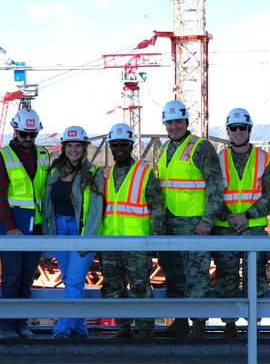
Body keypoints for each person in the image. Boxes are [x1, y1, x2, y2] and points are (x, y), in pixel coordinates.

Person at [154, 100, 224, 339]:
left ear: (186, 122)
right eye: (169, 122)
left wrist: (207, 220)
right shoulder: (164, 149)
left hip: (194, 225)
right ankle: (179, 322)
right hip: (170, 223)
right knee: (174, 274)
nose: (174, 126)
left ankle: (199, 326)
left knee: (197, 275)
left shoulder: (201, 147)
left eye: (178, 122)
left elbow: (216, 185)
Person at [212, 107, 270, 339]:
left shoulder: (264, 158)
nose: (238, 132)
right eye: (233, 128)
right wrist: (230, 216)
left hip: (254, 228)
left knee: (255, 277)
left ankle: (253, 324)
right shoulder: (218, 159)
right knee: (226, 277)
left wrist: (246, 216)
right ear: (228, 131)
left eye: (242, 128)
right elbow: (213, 193)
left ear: (249, 130)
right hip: (225, 228)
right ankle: (229, 324)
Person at [100, 123, 164, 339]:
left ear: (131, 146)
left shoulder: (145, 173)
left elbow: (157, 208)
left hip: (137, 242)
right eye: (115, 144)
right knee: (113, 287)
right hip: (110, 242)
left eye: (123, 145)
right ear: (110, 146)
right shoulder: (105, 174)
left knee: (140, 287)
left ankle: (146, 330)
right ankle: (124, 327)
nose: (119, 148)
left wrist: (154, 240)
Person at [0, 107, 50, 339]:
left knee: (27, 277)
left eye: (32, 135)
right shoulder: (2, 156)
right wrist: (9, 227)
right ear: (15, 131)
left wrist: (46, 226)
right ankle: (7, 326)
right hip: (14, 224)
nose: (28, 139)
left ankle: (22, 324)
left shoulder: (44, 155)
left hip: (35, 225)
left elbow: (46, 192)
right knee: (12, 277)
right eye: (24, 134)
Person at [42, 126, 105, 339]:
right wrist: (48, 232)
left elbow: (96, 210)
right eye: (70, 145)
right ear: (64, 148)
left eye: (78, 145)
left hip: (81, 233)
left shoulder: (94, 173)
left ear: (85, 148)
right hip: (59, 229)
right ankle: (80, 328)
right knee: (69, 279)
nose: (74, 149)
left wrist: (89, 239)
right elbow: (47, 204)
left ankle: (62, 328)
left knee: (76, 280)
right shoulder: (55, 172)